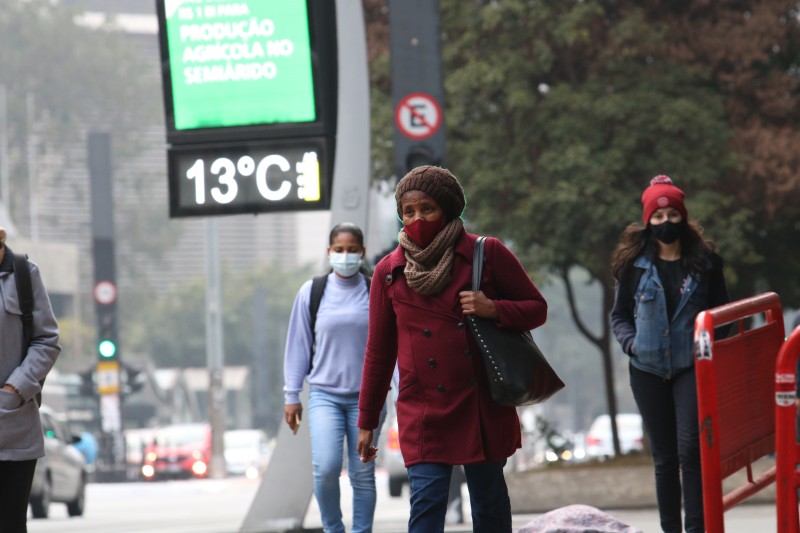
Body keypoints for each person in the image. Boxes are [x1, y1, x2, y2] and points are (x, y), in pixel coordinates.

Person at [356, 165, 548, 532]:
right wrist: (367, 421)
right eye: (408, 211)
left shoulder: (485, 253)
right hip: (423, 408)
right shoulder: (388, 272)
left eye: (426, 208)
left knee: (489, 505)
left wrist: (495, 308)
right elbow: (379, 353)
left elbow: (536, 308)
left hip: (481, 403)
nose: (416, 219)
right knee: (426, 506)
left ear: (447, 209)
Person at [611, 175, 729, 533]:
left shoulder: (707, 262)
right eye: (658, 217)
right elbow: (620, 316)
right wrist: (631, 343)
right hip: (646, 368)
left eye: (672, 215)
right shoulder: (633, 264)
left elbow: (721, 313)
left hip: (690, 366)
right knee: (664, 457)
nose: (666, 223)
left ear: (683, 216)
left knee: (690, 452)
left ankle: (696, 528)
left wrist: (708, 346)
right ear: (648, 221)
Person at [282, 222, 385, 533]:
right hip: (324, 396)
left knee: (362, 473)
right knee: (326, 468)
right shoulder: (311, 292)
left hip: (367, 400)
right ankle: (333, 529)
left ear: (362, 252)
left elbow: (389, 343)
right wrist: (291, 396)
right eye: (339, 250)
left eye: (352, 250)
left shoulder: (375, 291)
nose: (345, 256)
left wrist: (398, 387)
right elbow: (297, 346)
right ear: (329, 252)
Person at [0, 227, 61, 532]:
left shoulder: (24, 275)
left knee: (10, 524)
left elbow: (47, 340)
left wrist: (14, 389)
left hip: (14, 428)